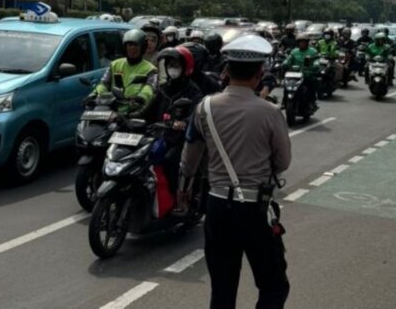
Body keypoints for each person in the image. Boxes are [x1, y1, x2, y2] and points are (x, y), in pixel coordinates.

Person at [178, 33, 291, 309]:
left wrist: (183, 190)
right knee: (274, 286)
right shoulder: (270, 112)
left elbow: (189, 159)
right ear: (259, 74)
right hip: (255, 209)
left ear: (226, 72)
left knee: (222, 290)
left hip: (217, 207)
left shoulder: (204, 108)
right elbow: (283, 162)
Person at [149, 46, 203, 194]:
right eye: (170, 65)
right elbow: (149, 109)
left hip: (179, 139)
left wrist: (183, 123)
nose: (173, 69)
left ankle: (174, 196)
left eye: (177, 65)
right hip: (158, 135)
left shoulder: (193, 91)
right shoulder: (163, 88)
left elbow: (195, 115)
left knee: (169, 161)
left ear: (186, 68)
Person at [93, 29, 158, 115]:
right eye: (129, 45)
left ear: (142, 48)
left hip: (136, 111)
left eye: (135, 45)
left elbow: (150, 88)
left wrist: (140, 98)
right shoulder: (115, 64)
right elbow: (104, 83)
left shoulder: (151, 69)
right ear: (125, 47)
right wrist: (95, 94)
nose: (132, 48)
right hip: (112, 108)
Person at [282, 33, 320, 110]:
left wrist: (315, 65)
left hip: (307, 74)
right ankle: (284, 102)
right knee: (287, 86)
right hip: (294, 75)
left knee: (312, 83)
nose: (302, 43)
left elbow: (316, 60)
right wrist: (284, 64)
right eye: (300, 42)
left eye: (303, 42)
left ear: (307, 42)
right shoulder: (294, 51)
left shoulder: (312, 51)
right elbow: (288, 60)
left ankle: (312, 102)